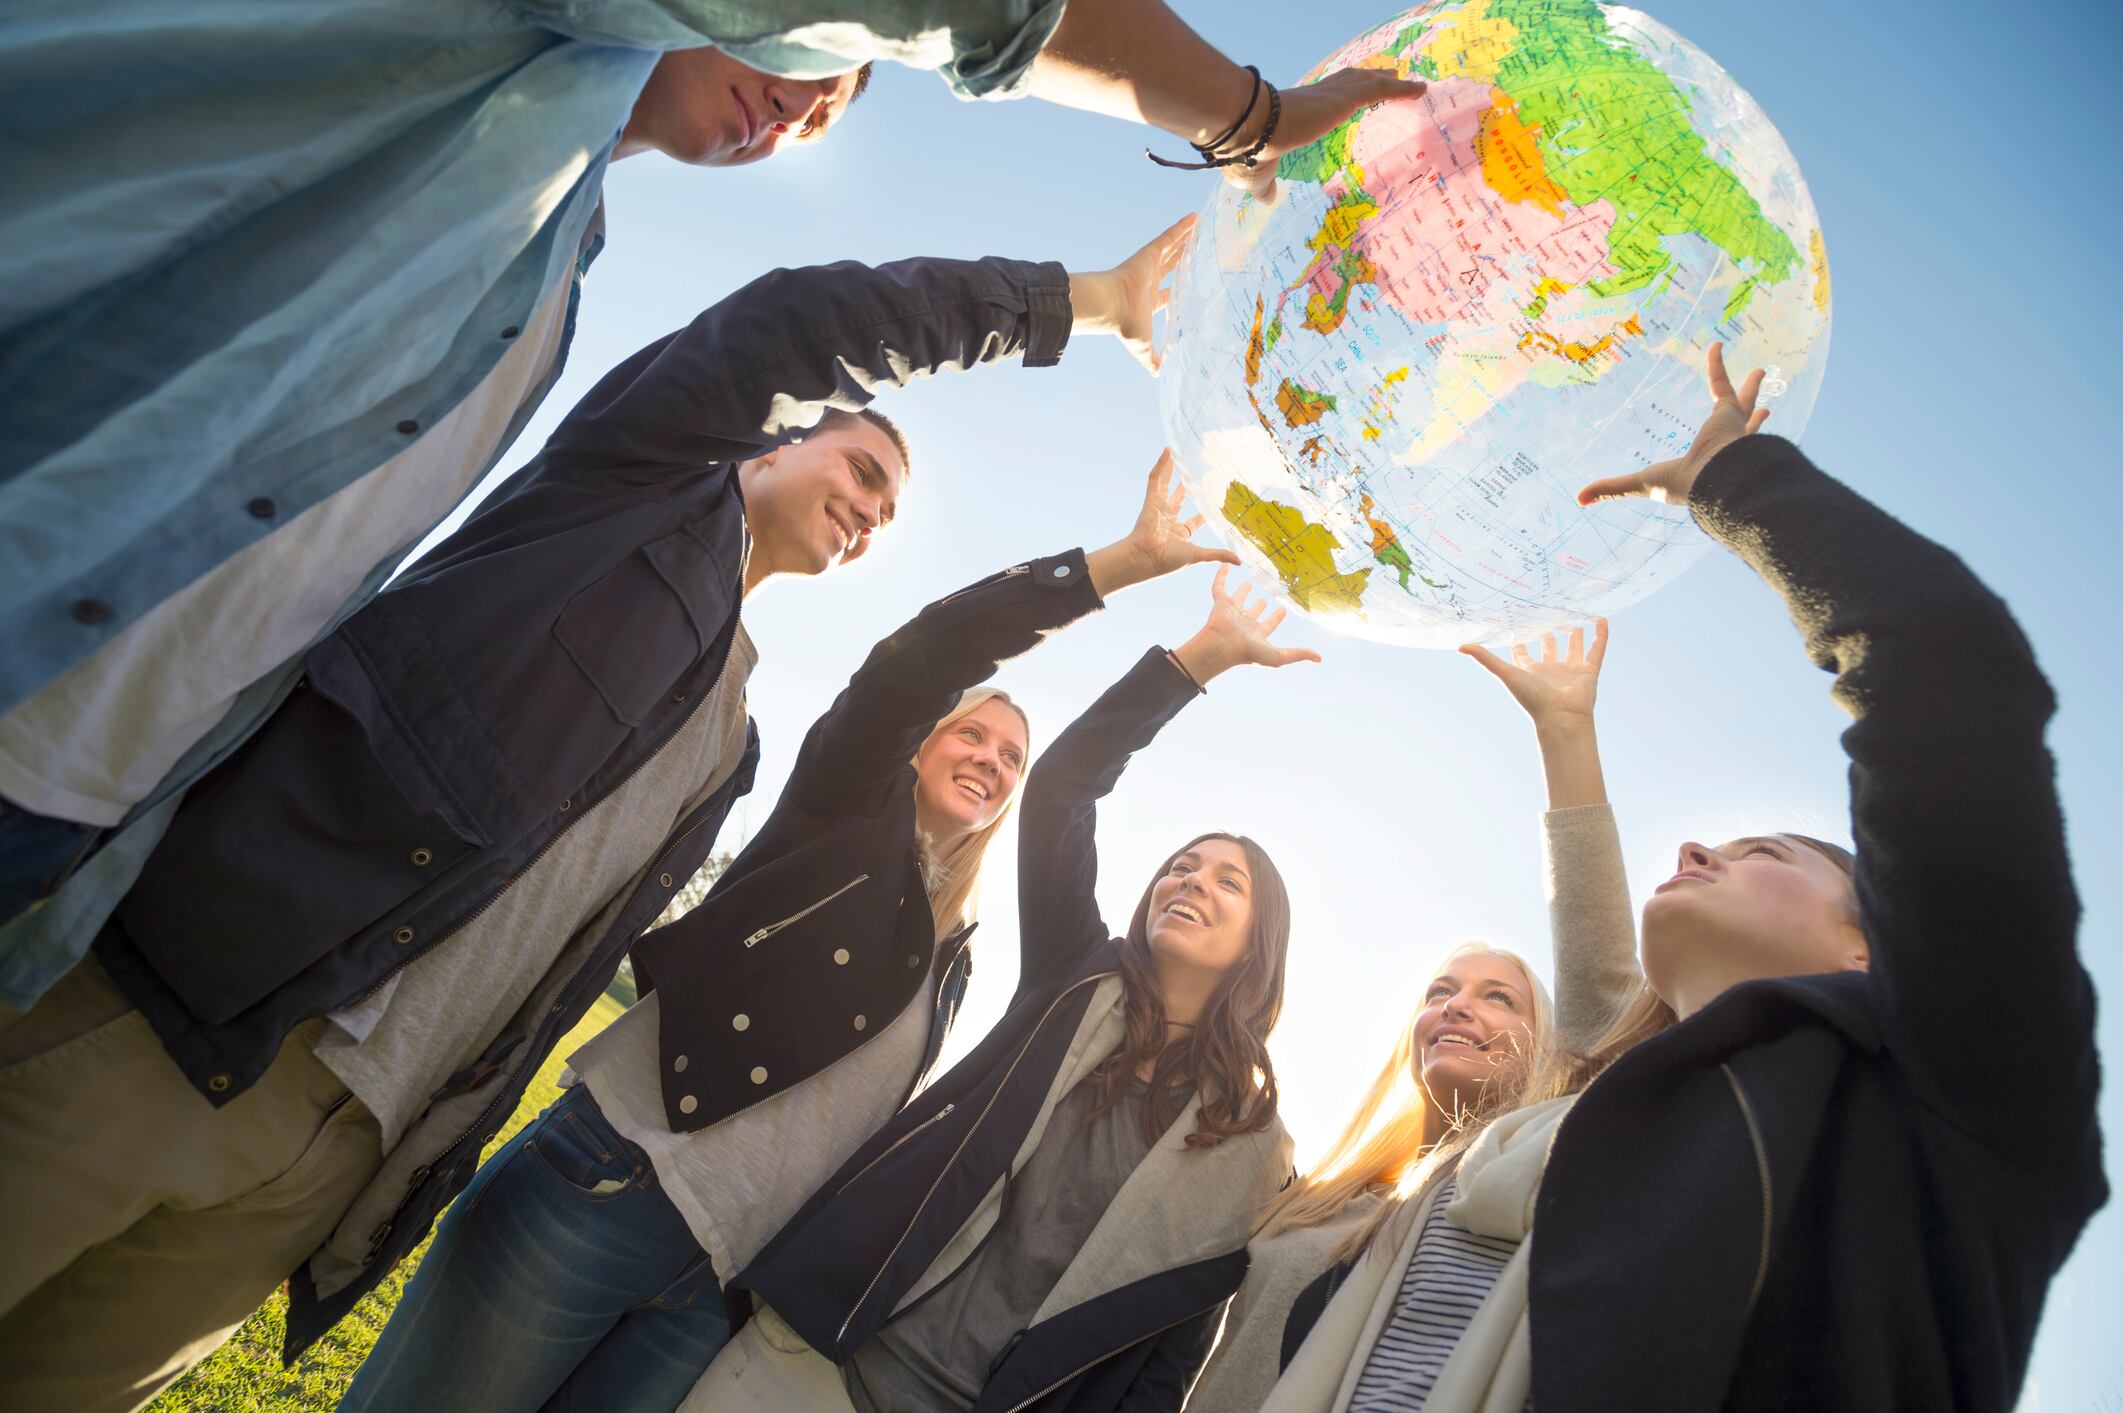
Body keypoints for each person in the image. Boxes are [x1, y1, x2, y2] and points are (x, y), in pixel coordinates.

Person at [0, 225, 1187, 1413]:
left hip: (346, 1149)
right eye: (863, 470)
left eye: (889, 505)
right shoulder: (619, 501)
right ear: (777, 435)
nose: (874, 511)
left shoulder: (733, 739)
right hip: (199, 1016)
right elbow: (801, 339)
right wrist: (1088, 310)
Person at [0, 0, 1423, 986]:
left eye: (832, 113)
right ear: (764, 448)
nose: (806, 105)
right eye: (811, 48)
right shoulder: (626, 439)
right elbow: (802, 334)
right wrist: (1222, 151)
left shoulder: (539, 282)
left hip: (90, 791)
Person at [1270, 346, 2105, 1413]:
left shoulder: (1954, 1091)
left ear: (1869, 946)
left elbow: (1950, 678)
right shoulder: (1555, 1128)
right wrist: (1564, 728)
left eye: (1765, 852)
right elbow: (1597, 978)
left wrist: (1735, 478)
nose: (1695, 851)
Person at [337, 456, 1240, 1412]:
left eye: (1009, 758)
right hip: (613, 1185)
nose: (992, 759)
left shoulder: (954, 952)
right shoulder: (840, 809)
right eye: (972, 734)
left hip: (718, 1283)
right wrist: (1117, 567)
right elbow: (924, 657)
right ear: (924, 738)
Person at [681, 566, 1318, 1412]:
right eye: (1179, 865)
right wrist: (1198, 660)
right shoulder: (1074, 972)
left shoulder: (1252, 1146)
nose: (1188, 880)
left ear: (1258, 942)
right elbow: (1064, 786)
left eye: (1226, 880)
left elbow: (1168, 1349)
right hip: (823, 1356)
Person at [1186, 622, 1640, 1413]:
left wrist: (1563, 734)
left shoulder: (1552, 1186)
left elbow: (1601, 981)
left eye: (1500, 996)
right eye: (1439, 991)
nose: (1457, 1004)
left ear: (1552, 1046)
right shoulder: (1317, 1195)